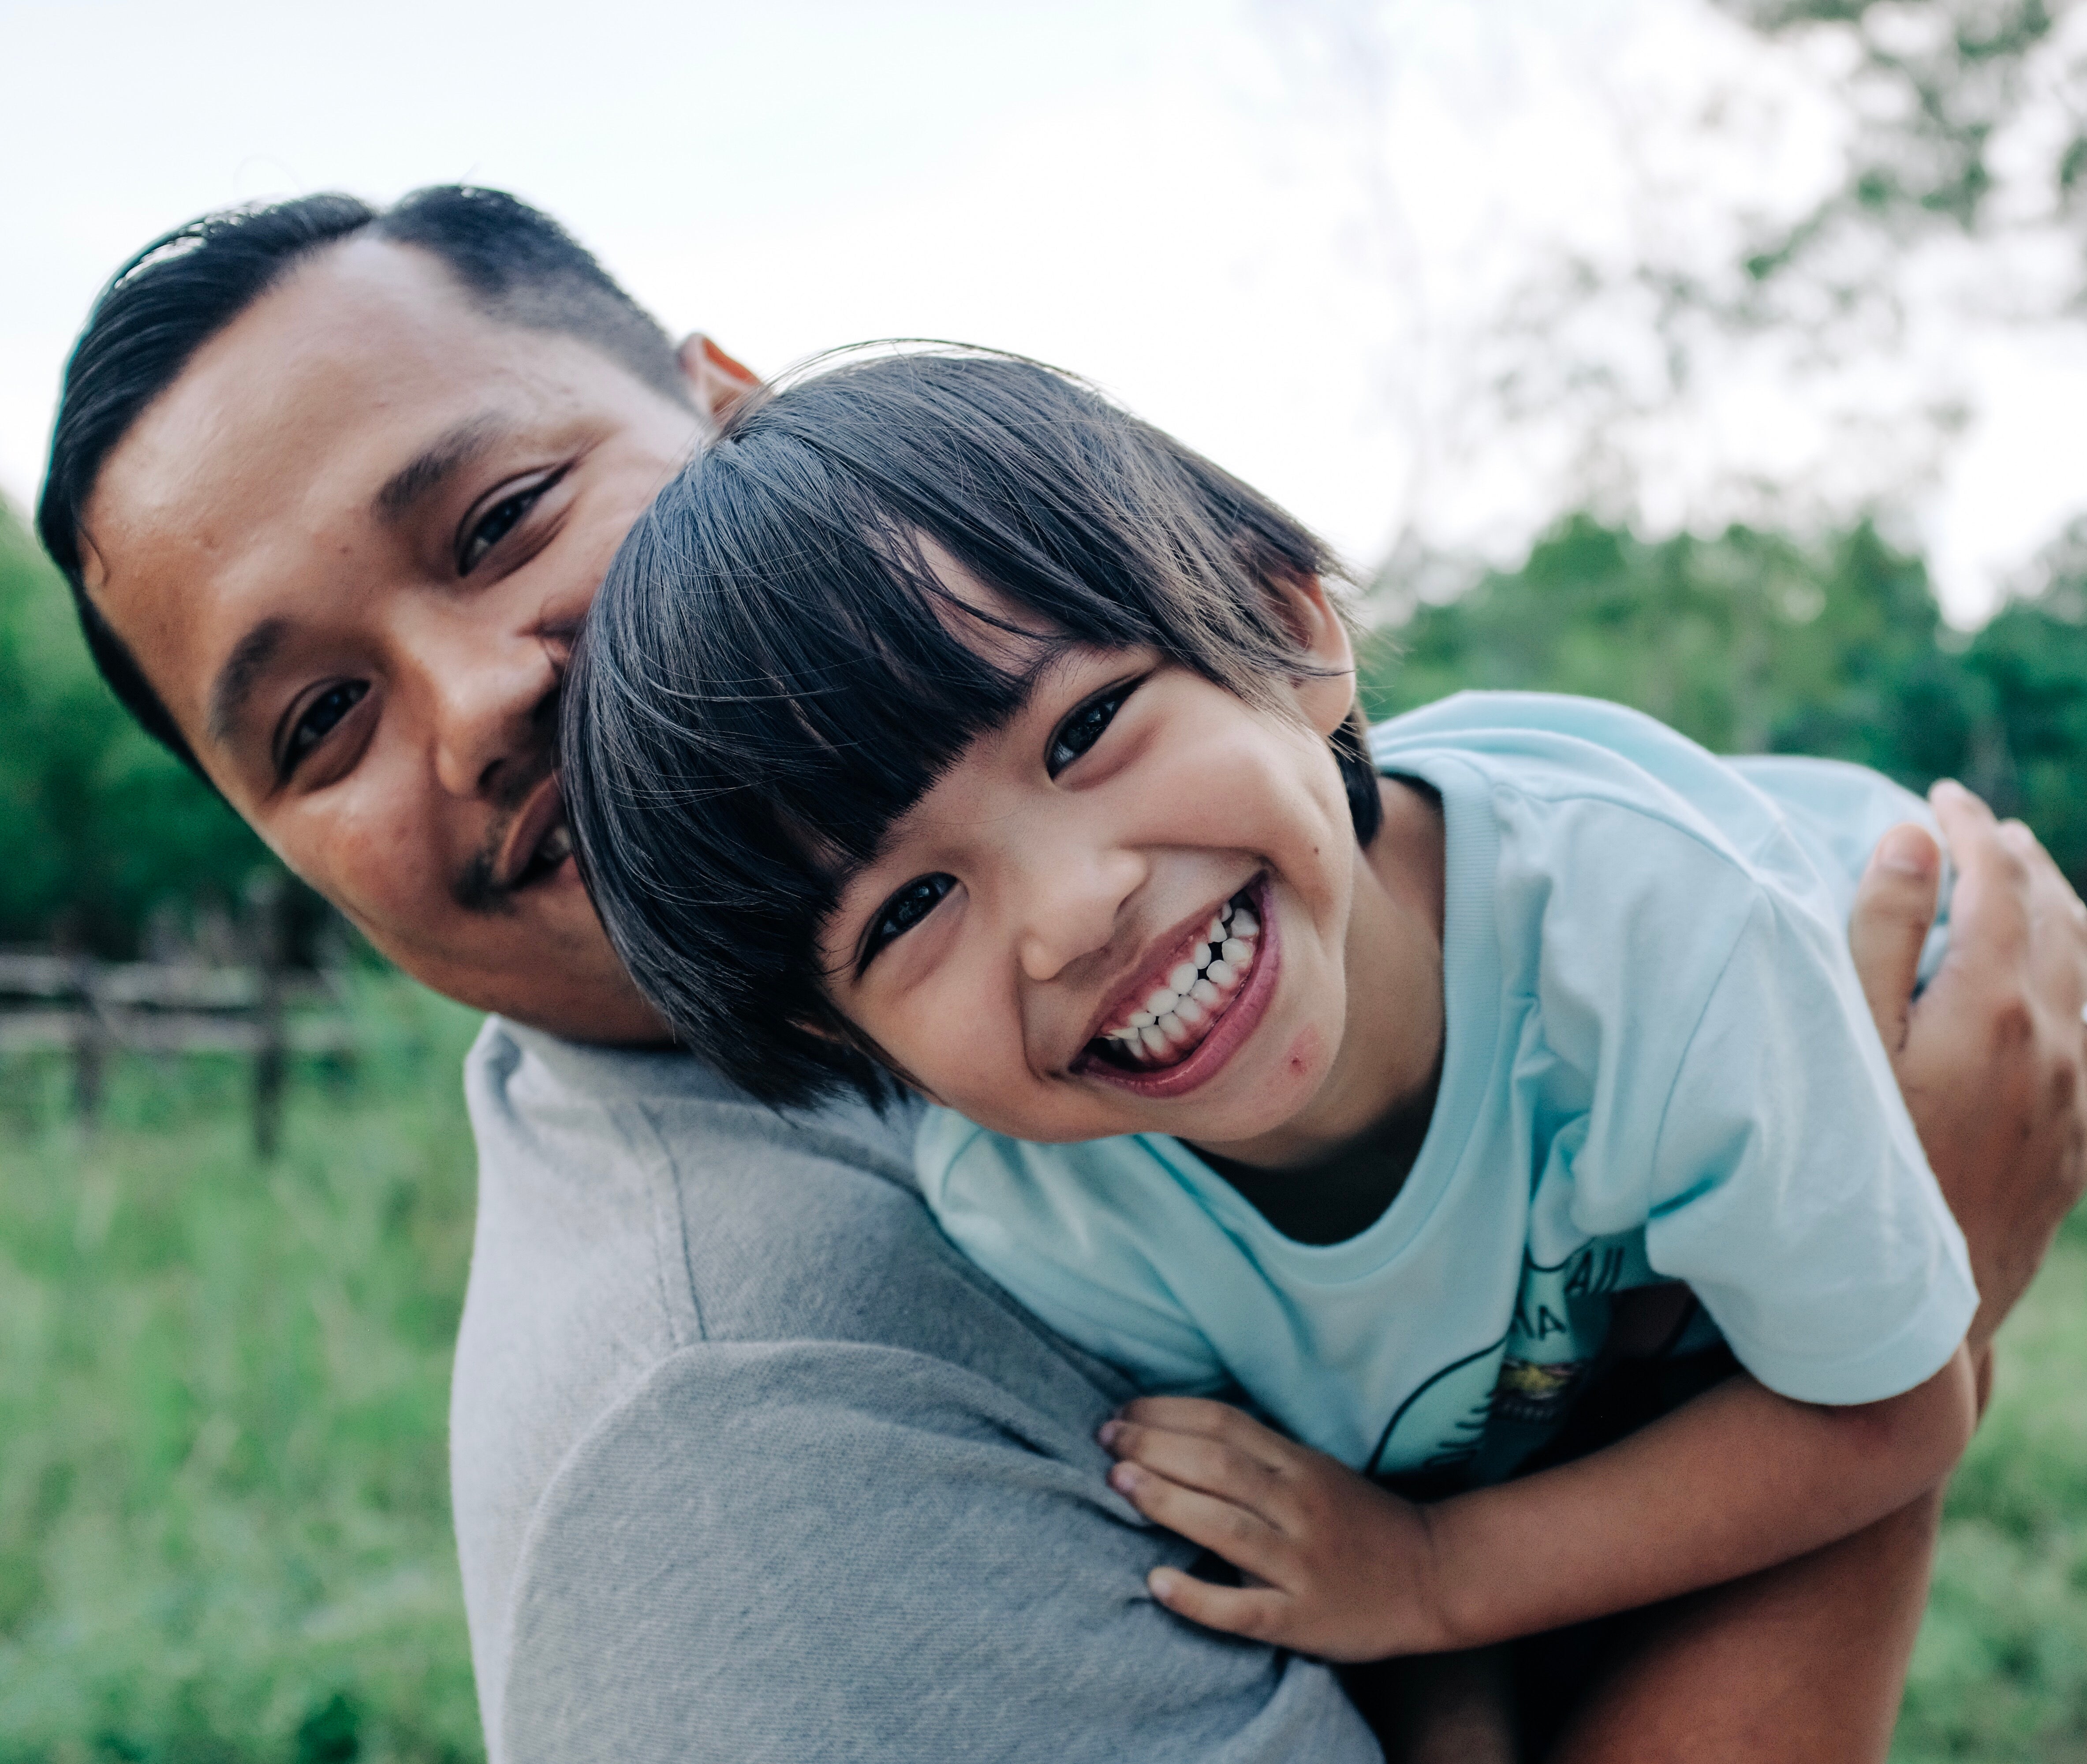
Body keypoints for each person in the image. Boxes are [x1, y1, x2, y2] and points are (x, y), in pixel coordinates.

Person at [36, 185, 2087, 1763]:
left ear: (741, 414)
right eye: (316, 726)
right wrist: (1924, 1238)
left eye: (502, 515)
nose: (488, 696)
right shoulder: (772, 1389)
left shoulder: (1339, 952)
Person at [562, 348, 1989, 1755]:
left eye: (1087, 729)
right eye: (914, 906)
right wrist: (1410, 1594)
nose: (1072, 914)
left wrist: (1436, 1577)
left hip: (1930, 940)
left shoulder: (1658, 938)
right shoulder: (1050, 1227)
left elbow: (1894, 1406)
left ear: (1285, 621)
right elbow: (1368, 1515)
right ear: (850, 1038)